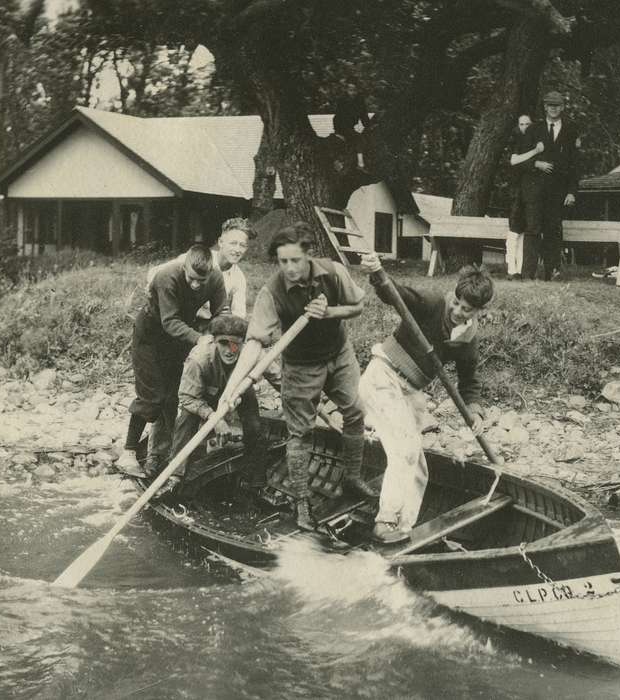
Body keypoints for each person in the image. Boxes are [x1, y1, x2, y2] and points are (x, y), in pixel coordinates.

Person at [221, 222, 372, 531]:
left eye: (294, 261)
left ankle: (353, 478)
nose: (288, 268)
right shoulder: (273, 291)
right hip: (301, 365)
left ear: (309, 256)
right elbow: (254, 342)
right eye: (282, 261)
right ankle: (302, 502)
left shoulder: (332, 272)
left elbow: (358, 306)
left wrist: (329, 312)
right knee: (300, 432)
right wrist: (232, 386)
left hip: (339, 355)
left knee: (355, 411)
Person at [356, 253, 493, 544]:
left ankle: (403, 530)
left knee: (417, 466)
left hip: (409, 391)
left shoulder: (468, 340)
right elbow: (396, 294)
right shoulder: (432, 303)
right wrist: (378, 273)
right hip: (383, 378)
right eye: (456, 303)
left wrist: (475, 412)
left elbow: (469, 380)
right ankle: (384, 523)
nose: (457, 311)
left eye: (466, 309)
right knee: (404, 450)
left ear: (478, 311)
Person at [118, 245, 227, 478]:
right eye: (192, 279)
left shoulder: (216, 278)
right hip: (150, 337)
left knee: (173, 397)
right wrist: (202, 339)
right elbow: (170, 322)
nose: (196, 285)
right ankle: (127, 453)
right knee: (152, 396)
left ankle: (168, 456)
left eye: (202, 280)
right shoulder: (167, 276)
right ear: (184, 266)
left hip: (178, 341)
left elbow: (222, 312)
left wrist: (225, 336)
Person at [153, 315, 264, 500]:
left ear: (243, 343)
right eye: (223, 343)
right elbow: (187, 398)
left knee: (254, 424)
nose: (229, 350)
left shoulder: (251, 353)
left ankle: (255, 479)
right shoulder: (199, 359)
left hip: (238, 390)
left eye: (235, 344)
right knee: (186, 419)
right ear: (214, 341)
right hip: (203, 394)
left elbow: (277, 377)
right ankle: (175, 475)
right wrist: (215, 419)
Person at [145, 217, 254, 323]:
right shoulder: (198, 259)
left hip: (205, 324)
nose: (237, 250)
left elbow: (239, 314)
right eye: (233, 243)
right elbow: (155, 273)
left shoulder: (238, 278)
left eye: (242, 245)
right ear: (221, 242)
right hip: (178, 319)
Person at [528, 90, 582, 282]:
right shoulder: (534, 129)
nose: (553, 109)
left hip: (558, 191)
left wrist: (572, 191)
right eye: (550, 105)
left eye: (557, 105)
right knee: (533, 229)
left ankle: (551, 271)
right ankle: (530, 272)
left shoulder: (571, 130)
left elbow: (575, 164)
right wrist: (536, 164)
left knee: (553, 229)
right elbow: (522, 157)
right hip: (535, 189)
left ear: (563, 107)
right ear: (545, 107)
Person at [507, 114, 546, 280]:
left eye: (527, 124)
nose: (524, 127)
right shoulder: (516, 141)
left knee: (526, 232)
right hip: (516, 192)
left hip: (531, 193)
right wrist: (535, 154)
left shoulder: (535, 140)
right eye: (521, 124)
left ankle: (522, 270)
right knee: (514, 231)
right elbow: (514, 161)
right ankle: (511, 270)